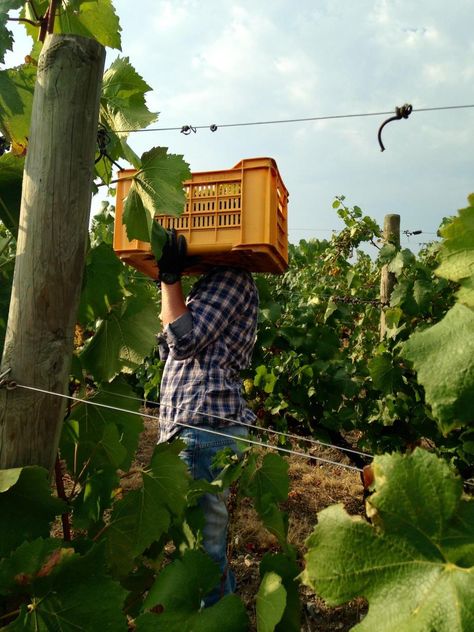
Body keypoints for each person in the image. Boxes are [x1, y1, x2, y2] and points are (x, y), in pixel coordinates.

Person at [155, 229, 259, 606]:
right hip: (190, 428)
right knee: (193, 545)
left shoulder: (231, 278)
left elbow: (183, 341)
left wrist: (170, 278)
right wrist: (170, 284)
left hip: (204, 428)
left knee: (201, 549)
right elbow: (167, 346)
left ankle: (214, 619)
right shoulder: (205, 286)